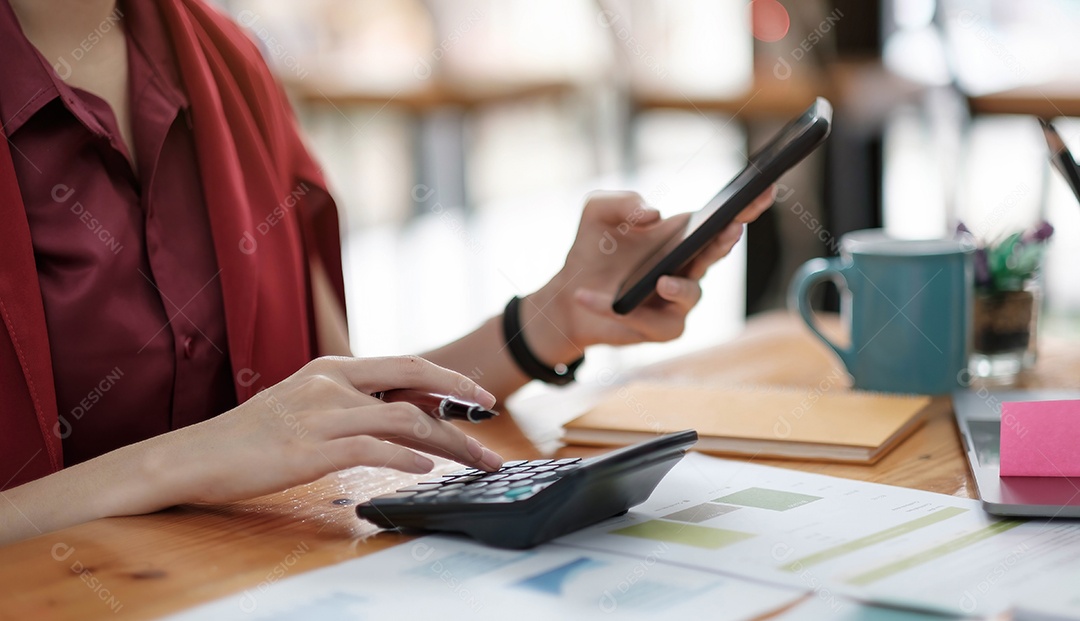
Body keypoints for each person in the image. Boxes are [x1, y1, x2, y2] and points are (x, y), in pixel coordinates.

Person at [0, 0, 774, 545]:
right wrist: (183, 461)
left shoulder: (224, 62)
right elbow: (249, 441)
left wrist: (552, 317)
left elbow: (341, 405)